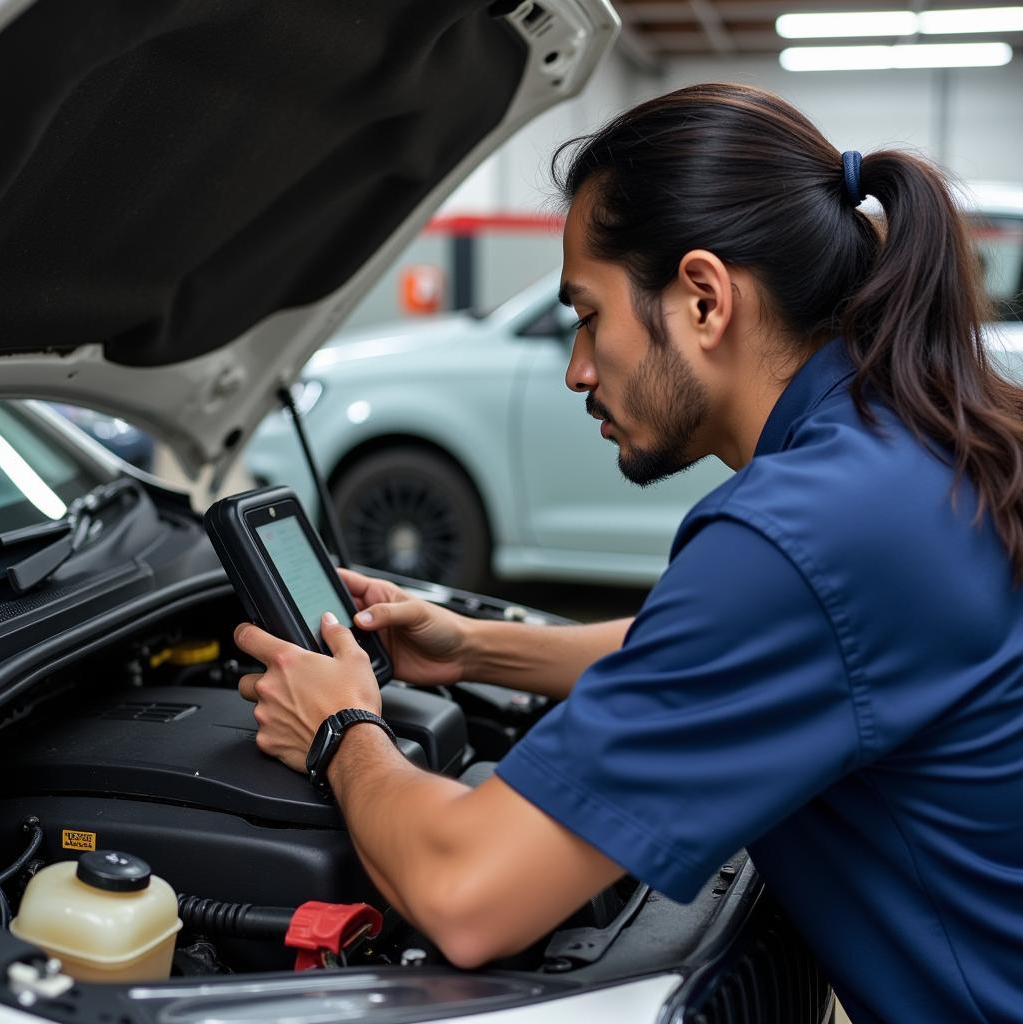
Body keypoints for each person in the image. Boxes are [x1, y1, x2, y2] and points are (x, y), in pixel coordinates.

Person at [234, 84, 1023, 1022]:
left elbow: (467, 894)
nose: (577, 366)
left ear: (702, 298)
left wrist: (341, 731)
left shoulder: (800, 533)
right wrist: (474, 647)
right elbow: (729, 653)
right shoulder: (910, 443)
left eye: (587, 314)